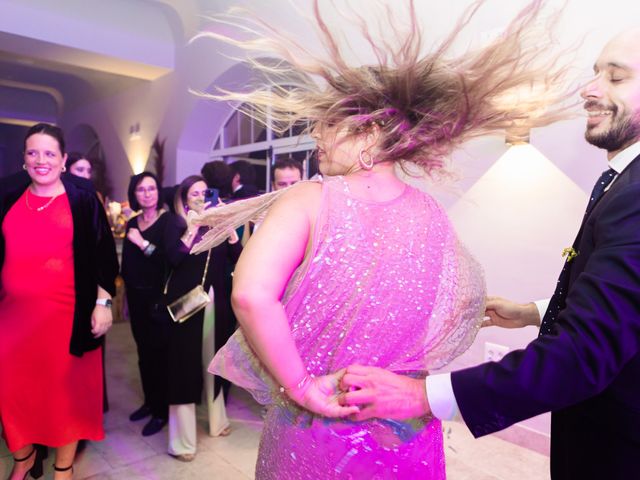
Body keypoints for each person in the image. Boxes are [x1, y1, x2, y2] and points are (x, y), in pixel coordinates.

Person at [195, 1, 572, 477]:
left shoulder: (307, 200)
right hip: (406, 429)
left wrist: (304, 386)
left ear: (369, 133)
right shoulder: (433, 213)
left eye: (328, 122)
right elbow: (447, 306)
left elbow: (250, 295)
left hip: (320, 429)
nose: (316, 133)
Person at [339, 28, 640, 480]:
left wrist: (423, 396)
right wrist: (533, 311)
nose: (589, 89)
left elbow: (583, 354)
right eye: (595, 73)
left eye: (615, 78)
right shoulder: (623, 181)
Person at [0, 123, 118, 480]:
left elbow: (104, 257)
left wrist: (103, 303)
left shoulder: (82, 198)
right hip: (13, 319)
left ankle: (63, 467)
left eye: (49, 153)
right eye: (33, 152)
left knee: (65, 396)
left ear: (63, 160)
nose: (41, 160)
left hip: (68, 318)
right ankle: (24, 456)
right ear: (23, 159)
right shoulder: (7, 194)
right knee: (12, 392)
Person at [164, 175, 242, 462]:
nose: (200, 197)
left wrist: (227, 225)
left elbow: (238, 255)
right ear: (184, 198)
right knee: (183, 368)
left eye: (204, 192)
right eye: (194, 193)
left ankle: (217, 421)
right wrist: (193, 227)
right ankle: (182, 442)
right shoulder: (175, 223)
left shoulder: (218, 224)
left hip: (215, 304)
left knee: (215, 363)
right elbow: (174, 258)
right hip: (186, 305)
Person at [120, 172, 182, 437]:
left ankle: (161, 411)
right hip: (136, 298)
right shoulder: (132, 222)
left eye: (152, 188)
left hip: (159, 299)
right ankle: (149, 402)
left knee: (159, 355)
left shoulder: (169, 221)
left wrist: (142, 242)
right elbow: (128, 266)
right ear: (134, 194)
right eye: (141, 190)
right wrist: (124, 298)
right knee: (143, 354)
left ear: (159, 192)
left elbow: (168, 261)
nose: (147, 194)